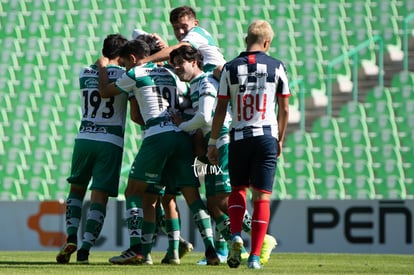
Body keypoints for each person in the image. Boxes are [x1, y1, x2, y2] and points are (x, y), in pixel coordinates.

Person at [97, 39, 220, 265]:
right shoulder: (172, 73)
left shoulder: (136, 73)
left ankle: (138, 249)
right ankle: (211, 251)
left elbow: (105, 92)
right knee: (192, 197)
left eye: (125, 64)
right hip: (182, 137)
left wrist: (103, 67)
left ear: (133, 59)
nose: (125, 68)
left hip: (157, 136)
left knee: (134, 191)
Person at [207, 20, 290, 270]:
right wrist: (280, 138)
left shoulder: (230, 68)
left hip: (239, 137)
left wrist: (212, 142)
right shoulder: (277, 67)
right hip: (265, 137)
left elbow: (220, 108)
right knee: (262, 197)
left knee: (238, 190)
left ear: (246, 40)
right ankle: (254, 257)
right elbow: (284, 107)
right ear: (267, 43)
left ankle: (234, 235)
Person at [56, 33, 132, 264]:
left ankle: (70, 236)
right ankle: (85, 249)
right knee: (99, 196)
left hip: (84, 138)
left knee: (76, 190)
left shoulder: (84, 72)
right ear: (121, 56)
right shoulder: (125, 75)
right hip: (109, 142)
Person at [142, 6, 226, 80]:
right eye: (176, 28)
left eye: (184, 26)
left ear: (195, 24)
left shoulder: (197, 32)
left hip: (219, 77)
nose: (180, 31)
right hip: (210, 80)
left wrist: (144, 61)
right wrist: (165, 48)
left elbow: (178, 48)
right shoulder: (188, 43)